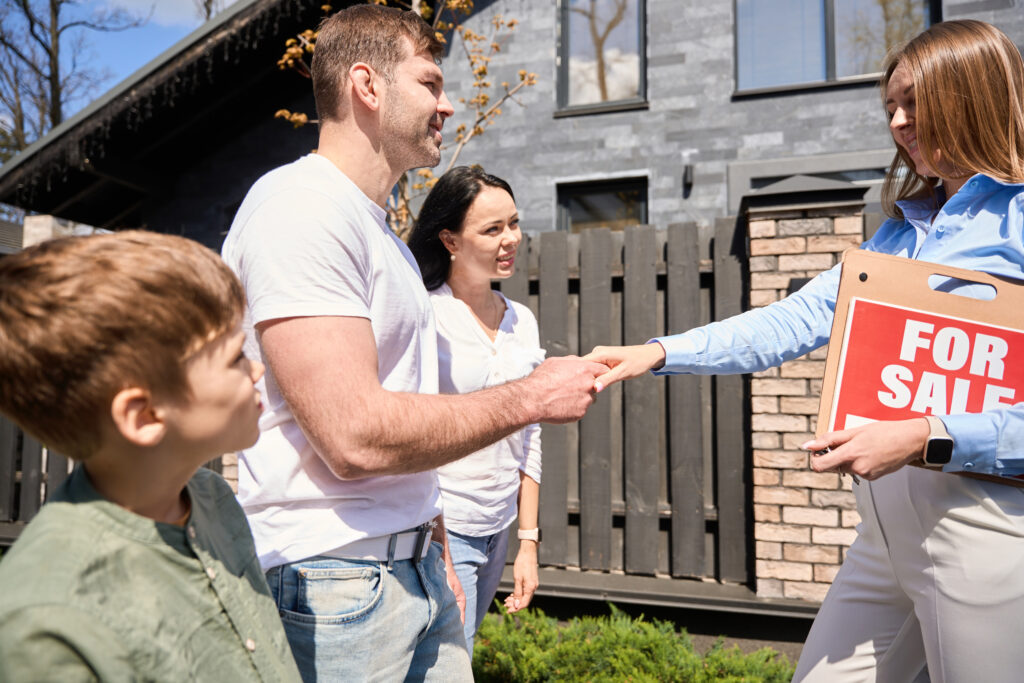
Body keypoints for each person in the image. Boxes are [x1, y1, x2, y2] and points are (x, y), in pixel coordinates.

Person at [585, 19, 1024, 683]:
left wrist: (926, 436)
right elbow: (789, 320)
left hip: (978, 528)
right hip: (882, 537)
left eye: (915, 102)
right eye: (890, 108)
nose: (899, 122)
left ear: (973, 95)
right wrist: (656, 352)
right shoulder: (898, 234)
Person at [220, 6, 604, 680]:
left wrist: (437, 548)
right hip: (336, 580)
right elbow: (354, 436)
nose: (449, 105)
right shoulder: (298, 209)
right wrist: (533, 396)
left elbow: (402, 414)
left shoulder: (387, 243)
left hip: (417, 568)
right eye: (430, 83)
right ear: (367, 87)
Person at [0, 231, 301, 682]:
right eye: (235, 355)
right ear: (143, 416)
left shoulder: (213, 498)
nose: (257, 369)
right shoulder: (47, 620)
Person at [408, 166, 543, 653]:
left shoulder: (520, 321)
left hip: (499, 529)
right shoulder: (427, 315)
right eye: (492, 229)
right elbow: (417, 435)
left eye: (513, 223)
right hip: (446, 528)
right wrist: (440, 550)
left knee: (457, 657)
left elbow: (531, 433)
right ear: (449, 239)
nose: (511, 238)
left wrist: (527, 541)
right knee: (448, 663)